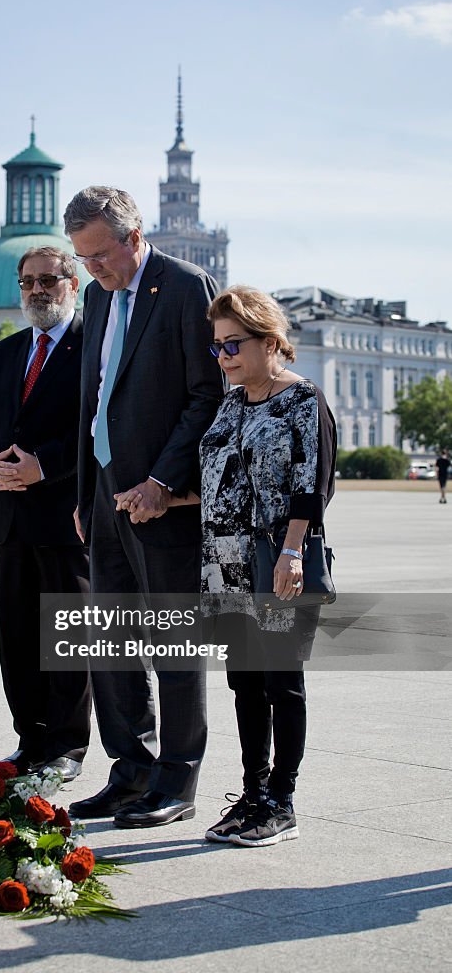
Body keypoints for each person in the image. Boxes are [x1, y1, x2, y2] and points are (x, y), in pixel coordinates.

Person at [63, 186, 222, 828]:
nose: (92, 270)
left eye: (100, 255)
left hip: (163, 499)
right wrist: (84, 494)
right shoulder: (99, 297)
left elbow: (207, 395)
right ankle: (130, 771)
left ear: (132, 237)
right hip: (104, 493)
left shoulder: (186, 286)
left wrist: (162, 479)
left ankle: (177, 781)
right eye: (82, 259)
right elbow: (92, 398)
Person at [199, 286, 336, 847]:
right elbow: (218, 478)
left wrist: (292, 552)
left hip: (277, 558)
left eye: (233, 345)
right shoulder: (232, 402)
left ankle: (283, 800)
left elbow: (313, 485)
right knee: (244, 683)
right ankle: (252, 794)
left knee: (282, 680)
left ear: (270, 341)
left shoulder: (303, 400)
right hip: (224, 560)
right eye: (218, 348)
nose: (225, 357)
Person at [0, 247, 92, 782]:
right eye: (27, 282)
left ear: (73, 284)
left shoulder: (95, 348)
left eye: (47, 280)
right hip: (9, 519)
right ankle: (30, 738)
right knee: (16, 638)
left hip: (67, 517)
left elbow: (95, 428)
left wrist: (46, 467)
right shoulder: (5, 352)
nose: (36, 290)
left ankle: (66, 747)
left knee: (66, 638)